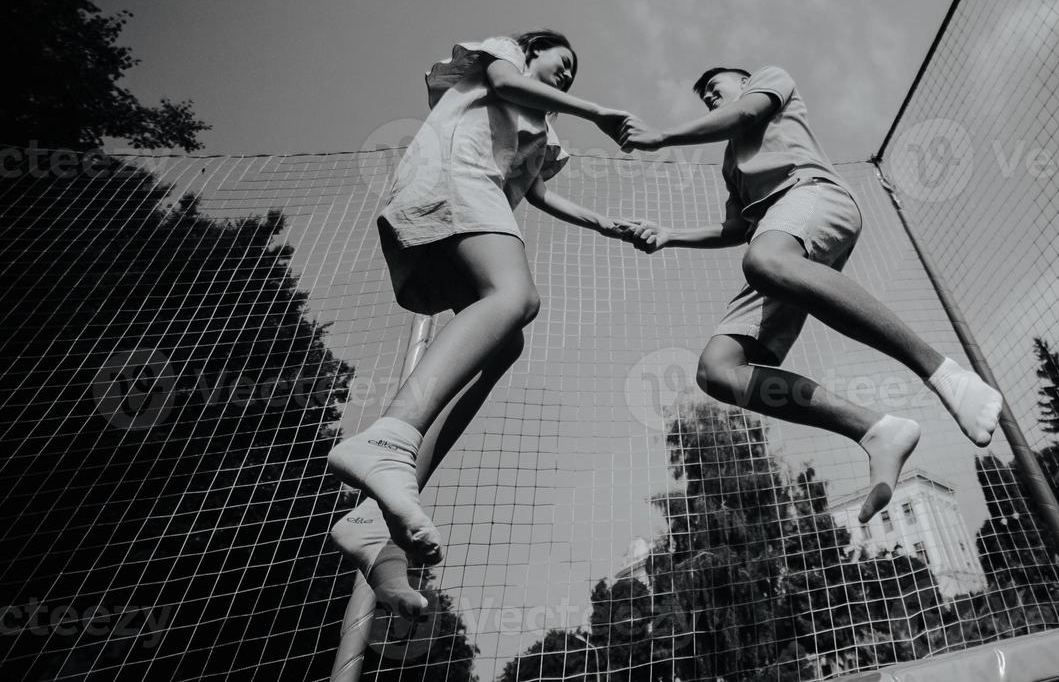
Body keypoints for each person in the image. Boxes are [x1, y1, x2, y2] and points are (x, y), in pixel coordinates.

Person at [328, 30, 636, 616]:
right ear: (533, 48)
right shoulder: (503, 56)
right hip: (455, 180)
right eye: (561, 61)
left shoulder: (545, 129)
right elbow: (501, 81)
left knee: (505, 342)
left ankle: (373, 525)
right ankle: (390, 437)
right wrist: (598, 111)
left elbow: (539, 191)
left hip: (470, 201)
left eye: (575, 74)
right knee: (514, 296)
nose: (567, 75)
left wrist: (605, 224)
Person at [618, 66, 1003, 523]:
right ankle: (876, 431)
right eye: (702, 97)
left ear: (744, 82)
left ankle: (943, 373)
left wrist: (661, 138)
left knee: (765, 261)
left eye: (713, 89)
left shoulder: (771, 82)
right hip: (776, 241)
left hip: (814, 198)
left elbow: (744, 114)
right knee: (718, 371)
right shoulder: (731, 165)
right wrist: (670, 235)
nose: (708, 98)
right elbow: (737, 228)